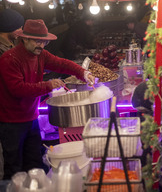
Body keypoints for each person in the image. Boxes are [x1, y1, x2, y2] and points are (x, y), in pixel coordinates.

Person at [0, 19, 95, 179]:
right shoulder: (9, 59)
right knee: (14, 167)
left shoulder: (40, 55)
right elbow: (18, 89)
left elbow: (61, 63)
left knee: (34, 164)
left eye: (44, 41)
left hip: (32, 118)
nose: (41, 45)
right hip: (11, 122)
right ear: (25, 39)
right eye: (37, 41)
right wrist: (48, 85)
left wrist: (83, 73)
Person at [0, 9, 25, 180]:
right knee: (11, 159)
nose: (21, 31)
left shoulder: (9, 45)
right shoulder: (2, 51)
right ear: (10, 27)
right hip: (6, 111)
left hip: (11, 109)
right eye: (19, 27)